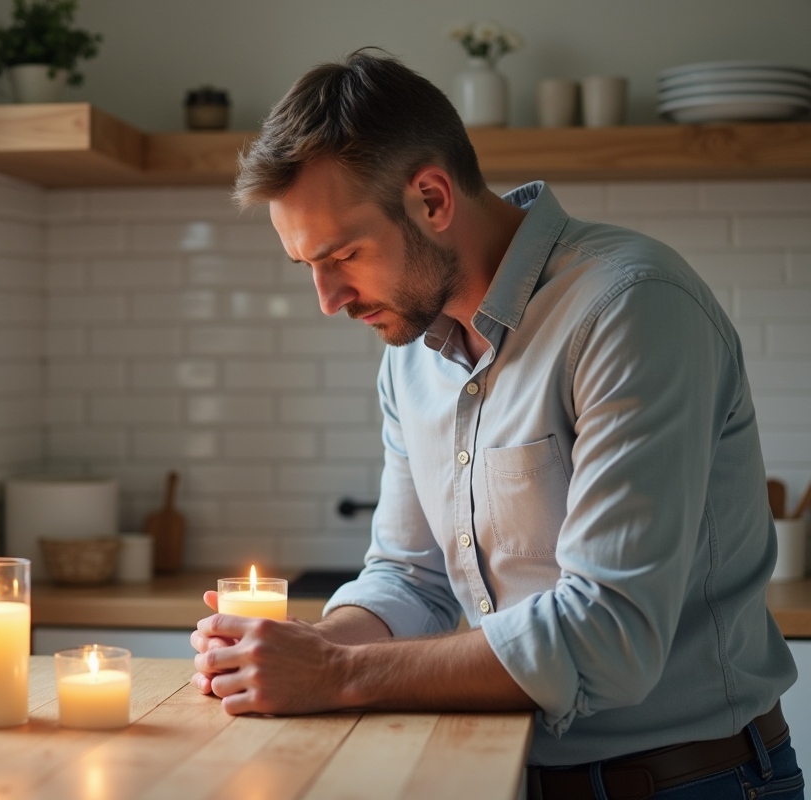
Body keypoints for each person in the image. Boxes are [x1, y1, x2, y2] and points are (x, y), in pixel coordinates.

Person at [190, 50, 803, 800]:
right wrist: (302, 647)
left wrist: (334, 672)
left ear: (432, 198)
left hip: (694, 781)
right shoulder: (411, 360)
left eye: (344, 254)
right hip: (510, 773)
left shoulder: (630, 308)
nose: (328, 298)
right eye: (307, 266)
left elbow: (608, 635)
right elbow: (409, 577)